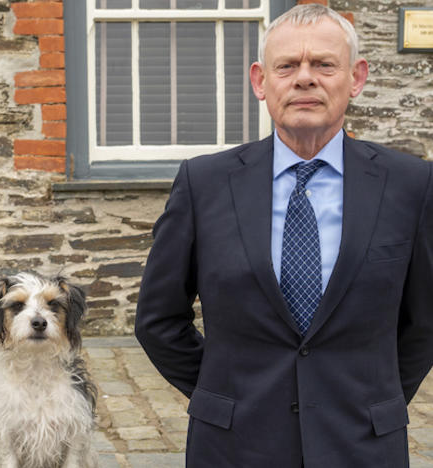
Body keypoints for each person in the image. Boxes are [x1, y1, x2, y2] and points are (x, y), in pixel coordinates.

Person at [135, 4, 433, 468]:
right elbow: (158, 319)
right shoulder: (204, 184)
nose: (305, 78)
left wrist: (371, 398)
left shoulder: (411, 185)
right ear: (260, 81)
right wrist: (226, 396)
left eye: (324, 65)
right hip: (234, 446)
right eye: (288, 65)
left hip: (363, 444)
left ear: (356, 78)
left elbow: (425, 322)